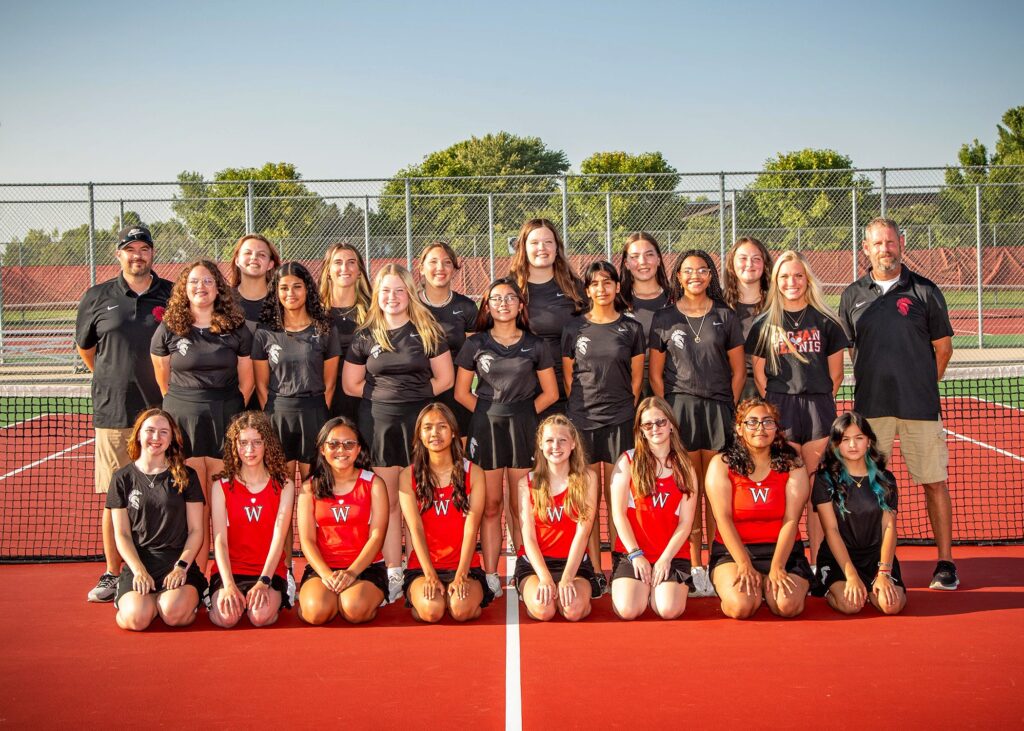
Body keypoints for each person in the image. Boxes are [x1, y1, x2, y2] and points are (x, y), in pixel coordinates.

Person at [838, 217, 957, 590]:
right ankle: (876, 561)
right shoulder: (851, 295)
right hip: (872, 411)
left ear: (901, 244)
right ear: (866, 249)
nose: (885, 249)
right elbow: (849, 349)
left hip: (920, 408)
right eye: (877, 243)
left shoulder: (925, 290)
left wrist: (919, 384)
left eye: (890, 242)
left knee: (934, 482)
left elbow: (943, 349)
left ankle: (946, 563)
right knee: (870, 486)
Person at [342, 263, 454, 602]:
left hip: (418, 425)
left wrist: (412, 397)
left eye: (399, 290)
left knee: (421, 500)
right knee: (388, 502)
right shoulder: (365, 335)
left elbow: (445, 380)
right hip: (378, 424)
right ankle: (393, 571)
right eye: (386, 291)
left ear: (409, 293)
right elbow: (350, 384)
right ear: (377, 294)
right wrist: (386, 398)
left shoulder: (427, 330)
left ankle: (421, 566)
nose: (392, 297)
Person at [76, 224, 173, 602]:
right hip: (114, 413)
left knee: (166, 492)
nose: (137, 255)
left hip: (163, 410)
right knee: (116, 496)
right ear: (119, 255)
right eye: (130, 249)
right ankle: (112, 573)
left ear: (152, 254)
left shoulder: (170, 294)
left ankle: (165, 566)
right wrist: (113, 376)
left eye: (144, 248)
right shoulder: (97, 296)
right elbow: (88, 351)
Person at [648, 249, 745, 596]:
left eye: (702, 270)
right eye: (688, 271)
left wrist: (727, 406)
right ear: (678, 276)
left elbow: (738, 371)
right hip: (681, 411)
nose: (695, 276)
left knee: (717, 491)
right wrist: (670, 414)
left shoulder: (725, 315)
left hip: (718, 411)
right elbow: (656, 375)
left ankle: (720, 560)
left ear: (710, 275)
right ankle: (694, 566)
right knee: (688, 491)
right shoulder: (664, 317)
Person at [455, 277, 559, 597]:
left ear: (520, 304)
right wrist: (489, 414)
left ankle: (522, 567)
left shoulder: (535, 345)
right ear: (487, 305)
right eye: (496, 299)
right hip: (486, 428)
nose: (503, 303)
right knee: (490, 505)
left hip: (523, 429)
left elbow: (551, 393)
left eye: (510, 298)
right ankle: (490, 574)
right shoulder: (475, 344)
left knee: (519, 505)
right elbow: (461, 393)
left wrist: (524, 416)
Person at [746, 250, 848, 567]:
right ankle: (788, 558)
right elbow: (761, 375)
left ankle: (819, 562)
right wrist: (780, 404)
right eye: (785, 276)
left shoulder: (827, 322)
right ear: (776, 282)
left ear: (808, 280)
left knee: (818, 489)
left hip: (819, 407)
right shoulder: (764, 324)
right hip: (781, 408)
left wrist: (815, 397)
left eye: (798, 276)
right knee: (786, 488)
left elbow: (837, 374)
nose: (792, 282)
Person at [151, 259, 254, 570]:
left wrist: (230, 410)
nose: (201, 287)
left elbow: (247, 381)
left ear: (218, 287)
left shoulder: (236, 327)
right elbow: (163, 380)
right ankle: (196, 574)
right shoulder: (169, 328)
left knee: (224, 500)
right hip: (184, 420)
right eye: (194, 281)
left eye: (208, 281)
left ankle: (224, 573)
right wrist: (186, 406)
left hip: (226, 418)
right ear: (184, 288)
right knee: (197, 503)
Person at [562, 261, 645, 588]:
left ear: (616, 287)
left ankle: (623, 562)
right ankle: (596, 570)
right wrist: (585, 409)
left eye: (607, 282)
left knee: (617, 498)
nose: (602, 289)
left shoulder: (631, 328)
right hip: (582, 421)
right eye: (595, 284)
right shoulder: (574, 328)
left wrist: (621, 408)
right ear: (587, 289)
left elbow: (636, 380)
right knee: (587, 501)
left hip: (620, 421)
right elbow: (570, 379)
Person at [704, 398, 812, 619]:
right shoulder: (721, 464)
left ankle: (767, 583)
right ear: (739, 428)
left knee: (786, 606)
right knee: (742, 607)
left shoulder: (793, 465)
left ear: (776, 428)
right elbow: (722, 519)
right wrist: (743, 563)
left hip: (783, 552)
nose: (760, 428)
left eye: (767, 422)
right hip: (733, 554)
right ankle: (754, 586)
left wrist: (778, 566)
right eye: (751, 422)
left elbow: (791, 519)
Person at [107, 409, 206, 630]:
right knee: (136, 619)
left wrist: (181, 567)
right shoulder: (121, 479)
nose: (156, 438)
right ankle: (143, 604)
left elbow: (196, 531)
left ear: (171, 438)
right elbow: (122, 534)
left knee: (173, 614)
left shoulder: (187, 476)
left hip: (177, 561)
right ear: (139, 434)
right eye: (150, 431)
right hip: (140, 562)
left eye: (163, 432)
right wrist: (139, 570)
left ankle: (166, 601)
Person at [398, 404, 492, 622]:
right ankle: (421, 602)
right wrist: (429, 574)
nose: (435, 433)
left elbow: (471, 528)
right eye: (428, 427)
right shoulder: (407, 476)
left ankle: (457, 599)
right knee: (432, 611)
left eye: (442, 427)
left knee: (460, 610)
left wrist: (461, 574)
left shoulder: (474, 473)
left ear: (453, 432)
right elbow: (415, 528)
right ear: (419, 434)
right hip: (423, 567)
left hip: (464, 565)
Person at [608, 397, 698, 620]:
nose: (655, 428)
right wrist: (636, 555)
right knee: (628, 610)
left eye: (660, 422)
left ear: (670, 425)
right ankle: (641, 587)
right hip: (634, 552)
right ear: (641, 430)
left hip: (671, 554)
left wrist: (665, 559)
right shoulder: (627, 461)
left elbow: (686, 523)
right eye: (648, 425)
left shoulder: (685, 467)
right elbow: (618, 515)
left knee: (669, 610)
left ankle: (655, 589)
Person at [296, 418, 389, 624]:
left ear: (358, 450)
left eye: (349, 444)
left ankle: (364, 596)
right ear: (322, 449)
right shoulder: (309, 487)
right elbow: (307, 540)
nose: (341, 450)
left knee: (354, 609)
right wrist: (326, 575)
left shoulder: (374, 484)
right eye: (333, 444)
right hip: (324, 567)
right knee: (316, 613)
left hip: (365, 567)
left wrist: (352, 573)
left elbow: (377, 537)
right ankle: (321, 597)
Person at [813, 412, 906, 615]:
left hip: (875, 558)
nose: (852, 445)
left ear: (869, 442)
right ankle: (830, 588)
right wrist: (851, 575)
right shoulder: (825, 480)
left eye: (859, 438)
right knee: (851, 606)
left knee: (891, 606)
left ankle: (874, 588)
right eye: (845, 439)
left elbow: (889, 527)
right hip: (839, 559)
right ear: (836, 445)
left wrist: (883, 572)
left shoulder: (886, 479)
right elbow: (831, 531)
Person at [253, 262, 339, 480]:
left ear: (307, 289)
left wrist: (318, 413)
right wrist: (273, 414)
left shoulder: (325, 329)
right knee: (282, 485)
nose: (290, 293)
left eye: (297, 286)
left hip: (315, 412)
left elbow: (330, 383)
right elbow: (261, 385)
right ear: (276, 292)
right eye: (284, 288)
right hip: (278, 414)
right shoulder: (265, 332)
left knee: (314, 486)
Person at [209, 412, 295, 628]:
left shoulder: (284, 485)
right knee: (227, 620)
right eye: (243, 443)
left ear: (267, 444)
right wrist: (228, 584)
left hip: (268, 570)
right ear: (234, 445)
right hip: (231, 570)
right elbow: (219, 540)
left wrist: (264, 582)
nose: (250, 450)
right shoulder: (221, 486)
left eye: (257, 442)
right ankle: (214, 598)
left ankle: (278, 595)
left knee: (259, 617)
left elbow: (278, 538)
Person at [515, 415, 600, 622]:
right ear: (541, 445)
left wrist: (568, 577)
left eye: (562, 440)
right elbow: (529, 539)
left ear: (573, 444)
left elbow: (583, 533)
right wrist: (544, 578)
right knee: (544, 611)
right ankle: (534, 593)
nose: (556, 446)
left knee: (573, 611)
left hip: (575, 564)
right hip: (536, 565)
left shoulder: (587, 479)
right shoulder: (526, 483)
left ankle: (577, 597)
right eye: (550, 441)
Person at [509, 218, 584, 416]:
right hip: (524, 391)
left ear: (557, 247)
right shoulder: (509, 289)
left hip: (570, 388)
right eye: (534, 243)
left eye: (548, 242)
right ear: (523, 248)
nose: (542, 248)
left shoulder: (575, 287)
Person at [418, 241, 479, 435]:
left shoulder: (467, 307)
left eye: (447, 262)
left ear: (454, 269)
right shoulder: (410, 306)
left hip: (457, 391)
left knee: (459, 453)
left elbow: (474, 357)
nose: (440, 268)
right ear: (421, 268)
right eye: (433, 262)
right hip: (419, 389)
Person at [318, 242, 372, 422]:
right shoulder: (313, 312)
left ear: (359, 271)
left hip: (363, 398)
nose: (344, 268)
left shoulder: (374, 312)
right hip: (324, 395)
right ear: (328, 270)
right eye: (338, 262)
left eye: (351, 262)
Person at [619, 232, 673, 397]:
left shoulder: (675, 299)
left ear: (658, 259)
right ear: (626, 263)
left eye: (649, 255)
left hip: (671, 384)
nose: (642, 262)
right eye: (634, 256)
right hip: (628, 386)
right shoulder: (616, 302)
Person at [722, 237, 773, 401]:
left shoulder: (777, 305)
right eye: (743, 258)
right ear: (732, 264)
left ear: (764, 264)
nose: (749, 264)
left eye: (756, 259)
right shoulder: (717, 306)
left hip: (770, 391)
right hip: (727, 392)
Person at [226, 233, 281, 332]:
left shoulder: (281, 300)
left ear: (270, 264)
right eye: (247, 253)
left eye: (262, 254)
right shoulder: (224, 299)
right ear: (237, 260)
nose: (254, 257)